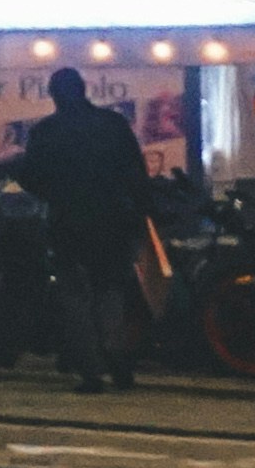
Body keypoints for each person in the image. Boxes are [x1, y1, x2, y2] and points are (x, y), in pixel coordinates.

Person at [16, 66, 153, 391]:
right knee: (110, 292)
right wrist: (139, 215)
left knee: (75, 297)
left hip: (68, 223)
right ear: (84, 89)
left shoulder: (47, 132)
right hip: (112, 223)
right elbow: (135, 172)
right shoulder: (113, 125)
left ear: (55, 95)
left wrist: (54, 194)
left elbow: (30, 176)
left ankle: (91, 371)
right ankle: (118, 359)